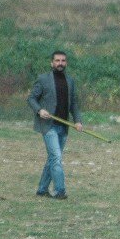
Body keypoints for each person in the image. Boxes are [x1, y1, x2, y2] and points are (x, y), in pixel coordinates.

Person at [27, 50, 83, 200]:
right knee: (56, 157)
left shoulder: (70, 81)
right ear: (52, 63)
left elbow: (74, 104)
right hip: (48, 125)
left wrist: (77, 121)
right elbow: (32, 99)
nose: (60, 63)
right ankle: (60, 191)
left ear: (66, 63)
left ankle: (42, 189)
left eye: (63, 61)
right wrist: (40, 110)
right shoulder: (43, 79)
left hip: (63, 127)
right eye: (57, 61)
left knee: (52, 158)